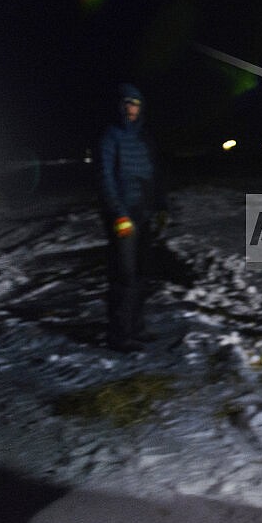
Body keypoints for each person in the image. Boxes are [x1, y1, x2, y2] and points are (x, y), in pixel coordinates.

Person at [98, 83, 167, 352]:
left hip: (145, 214)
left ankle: (136, 327)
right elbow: (105, 177)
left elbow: (156, 174)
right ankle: (118, 334)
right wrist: (118, 213)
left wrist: (162, 207)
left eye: (135, 104)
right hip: (123, 217)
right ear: (120, 107)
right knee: (123, 276)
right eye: (127, 103)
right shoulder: (110, 136)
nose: (131, 108)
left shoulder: (145, 138)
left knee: (141, 274)